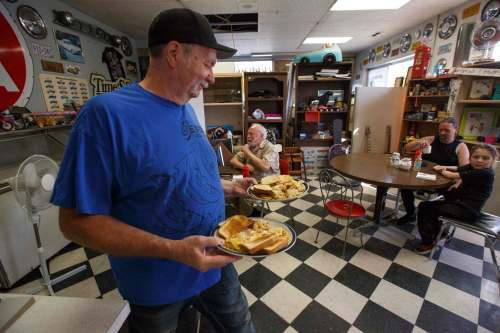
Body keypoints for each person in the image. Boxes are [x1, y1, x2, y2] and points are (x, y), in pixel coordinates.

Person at [51, 8, 256, 333]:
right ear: (175, 53)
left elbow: (181, 177)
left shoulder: (186, 110)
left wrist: (229, 187)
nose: (212, 76)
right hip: (157, 287)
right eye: (208, 63)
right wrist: (174, 250)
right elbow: (75, 222)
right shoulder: (105, 116)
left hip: (216, 263)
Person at [414, 143, 497, 254]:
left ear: (493, 160)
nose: (480, 160)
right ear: (470, 158)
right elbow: (457, 168)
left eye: (485, 158)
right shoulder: (474, 167)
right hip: (461, 201)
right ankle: (440, 232)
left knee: (425, 207)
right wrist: (446, 167)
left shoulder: (485, 173)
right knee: (441, 193)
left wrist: (442, 170)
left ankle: (428, 242)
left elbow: (451, 175)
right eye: (476, 157)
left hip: (467, 210)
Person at [397, 117, 470, 225]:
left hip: (446, 179)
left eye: (446, 130)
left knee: (453, 194)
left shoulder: (461, 146)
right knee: (405, 187)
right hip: (425, 176)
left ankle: (442, 222)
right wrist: (419, 143)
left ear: (456, 130)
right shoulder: (431, 139)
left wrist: (458, 183)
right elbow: (407, 147)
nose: (442, 133)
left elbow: (465, 169)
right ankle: (410, 213)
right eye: (440, 130)